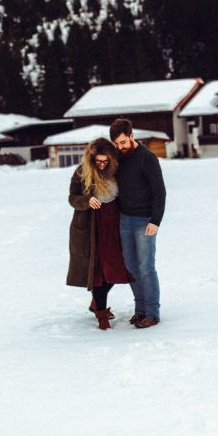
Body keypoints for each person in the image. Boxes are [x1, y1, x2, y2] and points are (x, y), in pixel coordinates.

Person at [66, 138, 133, 330]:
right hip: (91, 227)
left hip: (114, 224)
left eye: (106, 161)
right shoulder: (81, 172)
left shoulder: (117, 170)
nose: (102, 164)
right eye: (98, 161)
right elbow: (72, 198)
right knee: (98, 272)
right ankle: (101, 313)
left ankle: (96, 302)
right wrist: (88, 200)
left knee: (117, 268)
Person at [110, 118, 166, 329]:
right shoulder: (118, 157)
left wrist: (155, 220)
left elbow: (159, 191)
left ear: (132, 136)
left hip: (145, 221)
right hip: (125, 218)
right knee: (131, 267)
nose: (120, 147)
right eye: (117, 144)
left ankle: (152, 312)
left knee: (146, 267)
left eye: (123, 142)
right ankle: (140, 310)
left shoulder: (147, 158)